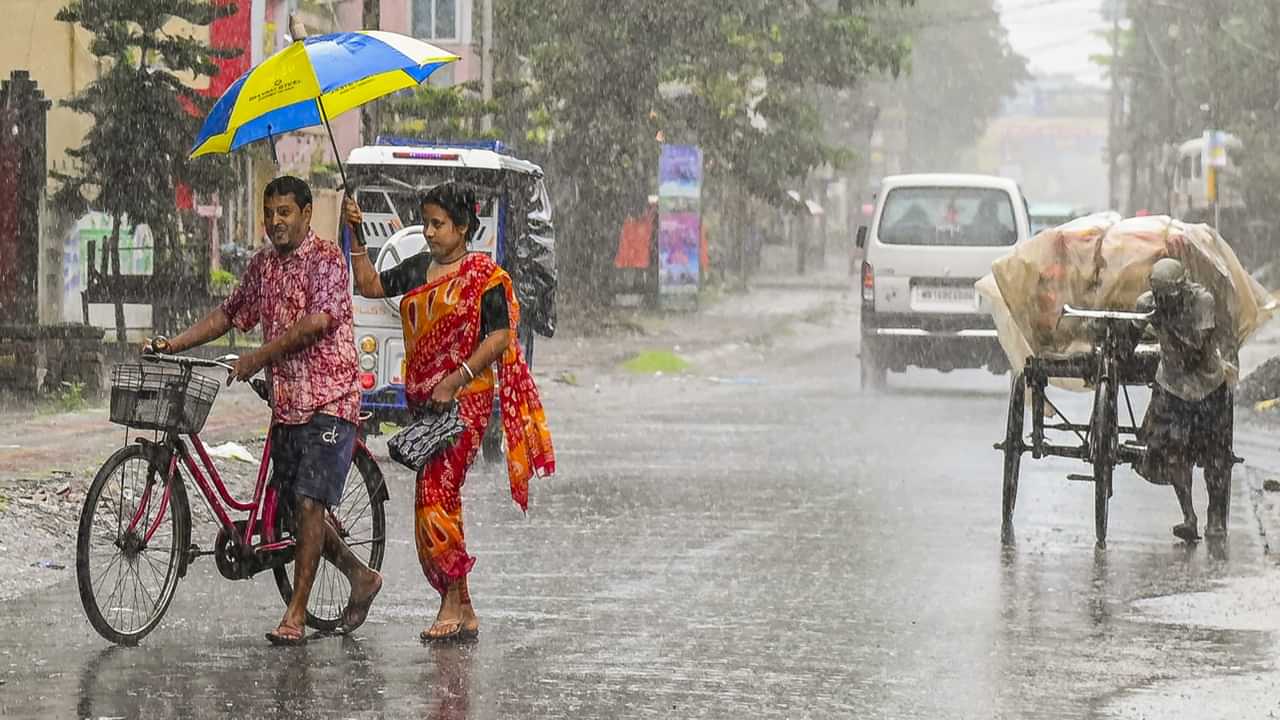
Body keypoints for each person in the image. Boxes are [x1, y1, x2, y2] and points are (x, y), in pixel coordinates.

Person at [145, 176, 383, 645]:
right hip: (285, 403)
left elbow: (317, 323)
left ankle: (295, 614)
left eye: (285, 212)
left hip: (330, 400)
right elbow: (228, 315)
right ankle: (361, 575)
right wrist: (173, 343)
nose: (276, 221)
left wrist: (257, 357)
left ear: (307, 213)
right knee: (296, 512)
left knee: (310, 502)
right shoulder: (263, 268)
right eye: (269, 213)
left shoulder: (327, 260)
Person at [345, 182, 555, 642]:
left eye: (438, 224)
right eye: (426, 222)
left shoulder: (484, 276)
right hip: (426, 403)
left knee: (435, 494)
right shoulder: (421, 267)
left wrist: (456, 376)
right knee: (438, 495)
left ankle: (448, 601)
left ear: (463, 227)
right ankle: (464, 606)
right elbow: (369, 285)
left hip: (467, 399)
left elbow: (499, 338)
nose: (429, 232)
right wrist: (356, 234)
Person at [1135, 257, 1232, 542]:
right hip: (1172, 385)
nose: (1164, 303)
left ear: (1183, 289)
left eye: (1169, 299)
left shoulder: (1202, 302)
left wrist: (1164, 322)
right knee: (1175, 452)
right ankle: (1188, 515)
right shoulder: (1147, 303)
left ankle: (1215, 517)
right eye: (1160, 298)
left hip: (1207, 386)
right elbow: (1128, 340)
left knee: (1215, 456)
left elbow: (1195, 353)